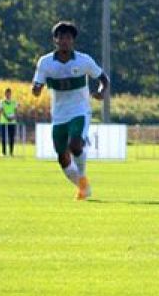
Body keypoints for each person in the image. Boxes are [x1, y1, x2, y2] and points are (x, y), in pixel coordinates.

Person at [32, 22, 108, 200]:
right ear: (55, 40)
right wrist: (36, 89)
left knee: (75, 145)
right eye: (61, 37)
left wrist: (102, 92)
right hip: (58, 115)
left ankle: (82, 178)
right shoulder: (45, 62)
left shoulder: (84, 60)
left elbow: (104, 78)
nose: (64, 40)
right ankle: (83, 185)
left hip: (80, 111)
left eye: (68, 37)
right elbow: (37, 84)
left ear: (73, 40)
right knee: (62, 158)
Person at [0, 87, 19, 156]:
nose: (8, 94)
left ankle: (11, 152)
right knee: (4, 137)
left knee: (11, 137)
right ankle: (3, 152)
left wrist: (13, 117)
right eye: (6, 93)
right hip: (4, 121)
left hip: (12, 121)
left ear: (10, 93)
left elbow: (16, 111)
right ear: (5, 93)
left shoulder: (14, 102)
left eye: (9, 93)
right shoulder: (2, 101)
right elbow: (1, 110)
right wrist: (7, 117)